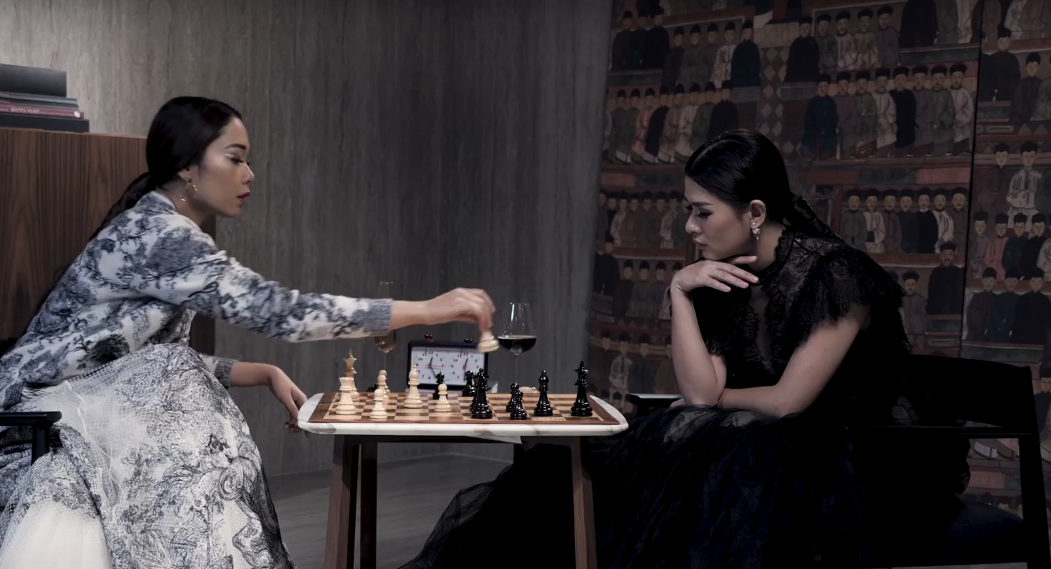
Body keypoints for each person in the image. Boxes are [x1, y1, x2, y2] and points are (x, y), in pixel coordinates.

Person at [0, 97, 495, 569]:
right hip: (24, 434)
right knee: (179, 403)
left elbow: (134, 362)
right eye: (235, 158)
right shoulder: (158, 236)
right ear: (188, 166)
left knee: (176, 382)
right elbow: (278, 311)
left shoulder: (164, 229)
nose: (250, 174)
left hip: (77, 417)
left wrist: (260, 372)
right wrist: (426, 309)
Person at [401, 130, 966, 568]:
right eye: (688, 209)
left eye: (703, 211)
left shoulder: (837, 276)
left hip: (852, 450)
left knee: (732, 462)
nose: (690, 226)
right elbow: (700, 391)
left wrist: (718, 403)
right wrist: (680, 292)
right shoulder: (718, 276)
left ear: (755, 213)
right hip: (756, 434)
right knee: (567, 471)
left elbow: (788, 401)